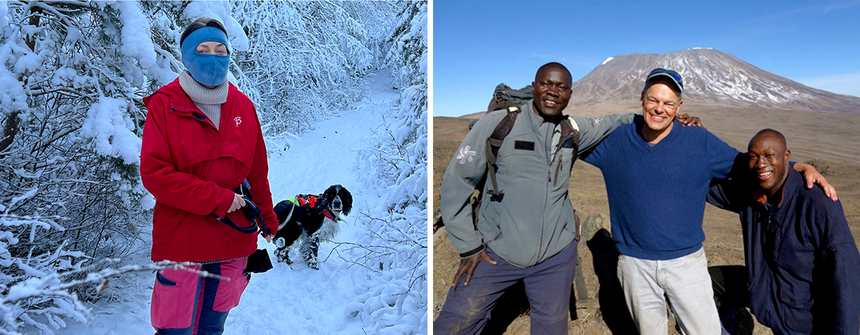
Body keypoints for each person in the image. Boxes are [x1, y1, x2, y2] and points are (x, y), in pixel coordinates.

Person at [434, 62, 700, 335]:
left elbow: (613, 122)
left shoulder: (572, 129)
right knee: (454, 324)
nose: (553, 92)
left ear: (570, 94)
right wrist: (469, 246)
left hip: (554, 258)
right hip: (495, 251)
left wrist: (665, 117)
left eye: (561, 87)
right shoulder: (499, 125)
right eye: (546, 84)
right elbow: (457, 183)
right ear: (534, 87)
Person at [580, 68, 834, 335]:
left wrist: (796, 166)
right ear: (641, 98)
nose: (659, 109)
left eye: (668, 103)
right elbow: (572, 141)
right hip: (634, 265)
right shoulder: (618, 141)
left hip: (686, 264)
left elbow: (748, 164)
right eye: (653, 100)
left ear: (679, 107)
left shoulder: (698, 141)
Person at [140, 17, 278, 335]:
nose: (213, 57)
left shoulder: (244, 106)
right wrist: (218, 198)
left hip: (234, 240)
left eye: (220, 50)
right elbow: (156, 174)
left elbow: (257, 172)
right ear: (187, 57)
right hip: (182, 241)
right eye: (203, 50)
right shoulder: (164, 105)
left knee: (212, 328)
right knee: (174, 330)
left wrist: (268, 220)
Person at [706, 129, 860, 335]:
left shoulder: (817, 203)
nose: (761, 164)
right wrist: (687, 133)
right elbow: (703, 184)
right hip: (766, 294)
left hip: (805, 321)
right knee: (703, 282)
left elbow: (846, 277)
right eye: (754, 157)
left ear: (786, 156)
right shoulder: (753, 193)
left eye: (769, 155)